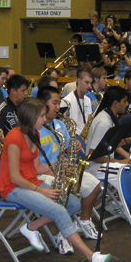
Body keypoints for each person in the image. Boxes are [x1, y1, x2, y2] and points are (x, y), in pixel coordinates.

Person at [0, 97, 110, 262]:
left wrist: (59, 166)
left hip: (30, 182)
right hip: (13, 188)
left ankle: (31, 227)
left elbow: (36, 167)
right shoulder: (13, 137)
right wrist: (40, 191)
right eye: (41, 116)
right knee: (59, 209)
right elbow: (14, 177)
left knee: (72, 203)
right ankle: (91, 256)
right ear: (30, 117)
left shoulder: (33, 134)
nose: (45, 119)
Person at [36, 86, 101, 247]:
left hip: (61, 169)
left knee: (94, 185)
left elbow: (66, 148)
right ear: (43, 104)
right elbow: (35, 165)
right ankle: (61, 234)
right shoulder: (35, 128)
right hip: (43, 173)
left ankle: (83, 221)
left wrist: (74, 146)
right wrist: (57, 172)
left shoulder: (60, 124)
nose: (58, 108)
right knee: (63, 193)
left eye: (59, 104)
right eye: (55, 103)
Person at [85, 87, 131, 178]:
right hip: (94, 167)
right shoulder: (104, 123)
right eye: (124, 101)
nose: (127, 104)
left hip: (103, 164)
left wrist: (129, 140)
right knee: (127, 172)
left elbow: (108, 144)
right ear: (115, 103)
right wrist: (120, 162)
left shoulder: (108, 117)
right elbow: (93, 155)